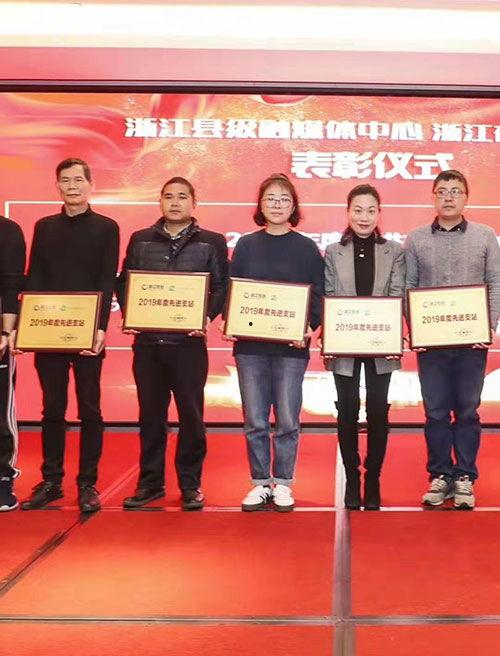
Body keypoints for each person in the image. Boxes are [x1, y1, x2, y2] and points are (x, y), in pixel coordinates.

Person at [116, 177, 228, 511]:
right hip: (148, 344)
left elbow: (221, 287)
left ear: (194, 203)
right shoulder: (140, 240)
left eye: (182, 197)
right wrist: (132, 313)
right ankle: (150, 483)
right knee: (150, 417)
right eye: (168, 196)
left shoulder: (211, 242)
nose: (175, 202)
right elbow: (125, 283)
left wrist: (205, 317)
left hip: (188, 346)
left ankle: (190, 484)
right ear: (160, 201)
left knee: (191, 417)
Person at [18, 158, 119, 513]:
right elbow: (35, 276)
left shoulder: (106, 227)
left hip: (88, 334)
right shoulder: (44, 226)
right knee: (52, 408)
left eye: (78, 179)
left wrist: (101, 328)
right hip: (48, 331)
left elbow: (106, 279)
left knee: (90, 408)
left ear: (90, 185)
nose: (72, 186)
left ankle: (87, 483)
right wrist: (27, 328)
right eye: (65, 180)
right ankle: (51, 481)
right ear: (57, 186)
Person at [223, 173, 324, 512]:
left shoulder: (306, 247)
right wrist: (230, 319)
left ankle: (282, 482)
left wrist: (309, 326)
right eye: (271, 199)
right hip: (250, 347)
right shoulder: (246, 245)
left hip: (291, 349)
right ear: (260, 205)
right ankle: (258, 483)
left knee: (287, 420)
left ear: (294, 206)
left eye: (284, 199)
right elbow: (234, 288)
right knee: (254, 419)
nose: (277, 205)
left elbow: (319, 293)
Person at [405, 169, 500, 510]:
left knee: (468, 411)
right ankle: (441, 474)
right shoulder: (415, 239)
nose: (448, 197)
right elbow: (408, 287)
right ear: (433, 196)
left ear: (466, 198)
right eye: (442, 191)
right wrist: (414, 329)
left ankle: (465, 477)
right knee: (435, 412)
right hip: (431, 343)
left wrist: (489, 326)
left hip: (471, 343)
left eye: (455, 191)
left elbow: (495, 282)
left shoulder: (485, 236)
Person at [323, 184, 405, 510]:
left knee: (378, 411)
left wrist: (391, 332)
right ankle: (352, 480)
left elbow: (397, 295)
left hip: (380, 342)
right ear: (348, 212)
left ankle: (373, 479)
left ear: (379, 214)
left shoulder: (393, 251)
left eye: (371, 211)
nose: (364, 217)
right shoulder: (333, 251)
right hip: (344, 342)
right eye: (358, 210)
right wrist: (330, 334)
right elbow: (329, 295)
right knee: (346, 411)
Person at [0, 218, 26, 511]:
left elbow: (11, 283)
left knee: (0, 408)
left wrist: (6, 332)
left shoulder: (7, 230)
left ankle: (3, 476)